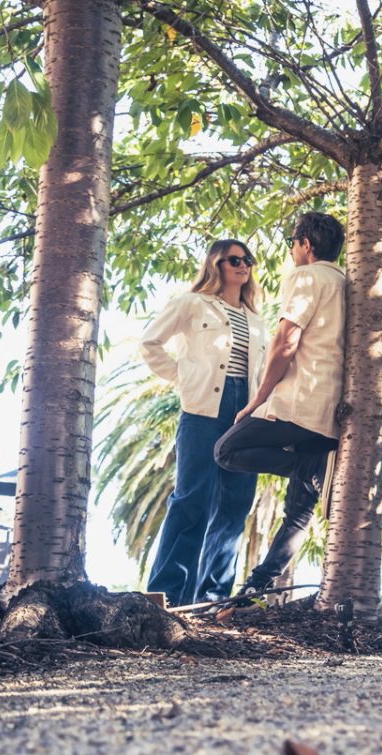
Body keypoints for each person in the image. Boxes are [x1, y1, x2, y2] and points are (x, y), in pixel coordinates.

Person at [214, 211, 346, 596]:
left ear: (306, 244)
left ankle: (305, 473)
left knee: (226, 450)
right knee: (299, 515)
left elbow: (286, 341)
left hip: (299, 404)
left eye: (293, 242)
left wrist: (258, 398)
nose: (291, 250)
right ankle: (256, 588)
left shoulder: (307, 276)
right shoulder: (347, 284)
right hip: (328, 418)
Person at [140, 239, 268, 606]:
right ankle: (166, 594)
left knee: (236, 504)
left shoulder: (257, 321)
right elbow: (150, 343)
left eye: (248, 260)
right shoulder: (192, 303)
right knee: (192, 498)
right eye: (234, 260)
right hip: (202, 409)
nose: (243, 265)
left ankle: (213, 598)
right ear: (216, 264)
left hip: (246, 412)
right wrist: (184, 377)